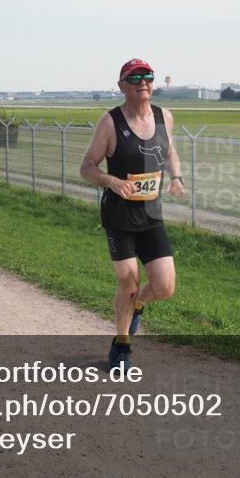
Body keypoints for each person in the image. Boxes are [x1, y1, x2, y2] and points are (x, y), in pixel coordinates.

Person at [80, 58, 185, 370]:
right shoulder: (111, 122)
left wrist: (176, 176)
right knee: (128, 281)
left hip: (151, 215)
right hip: (119, 216)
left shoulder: (164, 116)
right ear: (122, 85)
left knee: (165, 287)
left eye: (148, 77)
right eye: (135, 77)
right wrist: (111, 181)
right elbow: (86, 167)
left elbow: (170, 152)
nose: (143, 82)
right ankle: (122, 344)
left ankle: (140, 304)